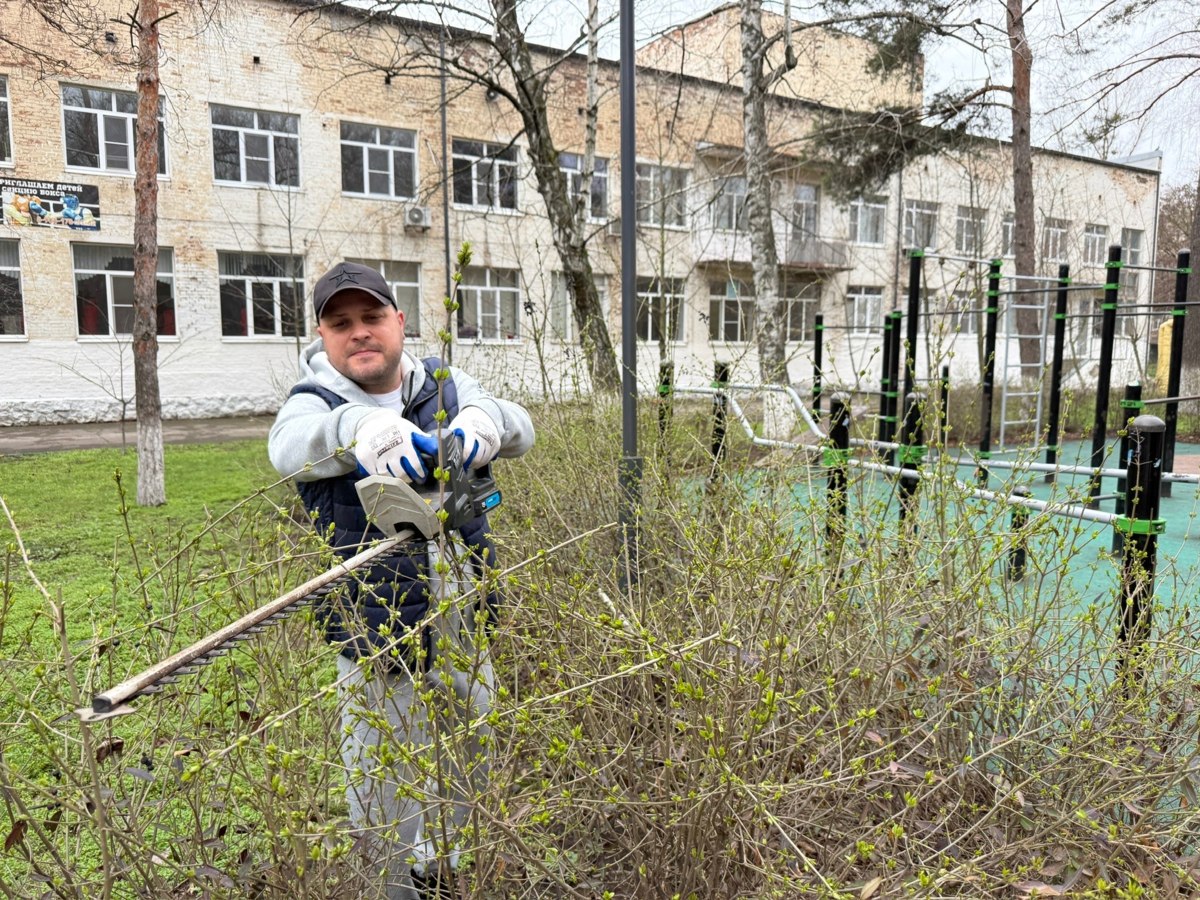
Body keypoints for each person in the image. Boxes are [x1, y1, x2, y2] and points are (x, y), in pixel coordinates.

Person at [268, 261, 534, 900]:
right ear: (323, 337)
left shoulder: (442, 381)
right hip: (377, 636)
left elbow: (521, 427)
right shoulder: (316, 401)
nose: (359, 333)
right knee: (380, 786)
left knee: (474, 752)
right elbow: (286, 449)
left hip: (464, 621)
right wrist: (357, 429)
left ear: (399, 322)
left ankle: (440, 868)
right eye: (341, 323)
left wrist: (486, 424)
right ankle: (395, 889)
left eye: (371, 317)